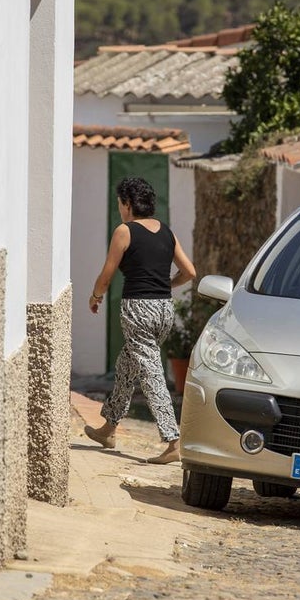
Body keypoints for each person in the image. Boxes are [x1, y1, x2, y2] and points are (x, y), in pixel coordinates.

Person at [85, 177, 196, 464]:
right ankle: (109, 428)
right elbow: (189, 272)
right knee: (127, 366)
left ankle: (173, 442)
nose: (120, 209)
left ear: (128, 203)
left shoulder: (124, 231)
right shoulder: (166, 231)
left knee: (151, 373)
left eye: (120, 204)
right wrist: (165, 285)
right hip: (163, 311)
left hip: (138, 310)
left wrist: (95, 295)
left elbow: (107, 274)